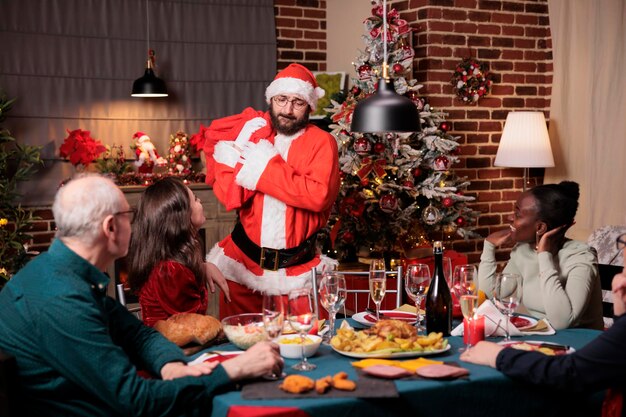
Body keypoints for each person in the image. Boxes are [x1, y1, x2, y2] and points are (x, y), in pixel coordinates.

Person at [0, 175, 283, 417]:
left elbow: (139, 335)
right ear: (110, 228)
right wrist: (234, 370)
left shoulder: (63, 271)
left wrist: (169, 364)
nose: (137, 225)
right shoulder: (62, 299)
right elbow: (136, 402)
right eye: (129, 216)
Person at [203, 63, 341, 317]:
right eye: (281, 99)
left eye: (297, 102)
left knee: (303, 347)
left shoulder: (322, 142)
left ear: (309, 106)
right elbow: (228, 193)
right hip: (242, 268)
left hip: (297, 275)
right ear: (271, 99)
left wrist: (264, 168)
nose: (287, 110)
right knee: (240, 349)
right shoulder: (254, 135)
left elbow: (317, 196)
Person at [462, 232, 626, 417]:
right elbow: (493, 293)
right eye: (623, 271)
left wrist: (498, 355)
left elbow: (567, 372)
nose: (617, 283)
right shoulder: (523, 250)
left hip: (574, 346)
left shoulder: (580, 255)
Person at [478, 181, 603, 330]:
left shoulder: (581, 257)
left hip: (580, 344)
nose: (509, 218)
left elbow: (562, 322)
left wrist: (544, 255)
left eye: (517, 214)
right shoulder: (523, 250)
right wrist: (489, 246)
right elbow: (489, 295)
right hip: (537, 338)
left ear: (540, 228)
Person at [127, 176, 228, 326]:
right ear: (182, 215)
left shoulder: (172, 262)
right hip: (173, 347)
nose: (200, 202)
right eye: (195, 199)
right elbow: (192, 326)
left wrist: (202, 266)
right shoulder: (171, 270)